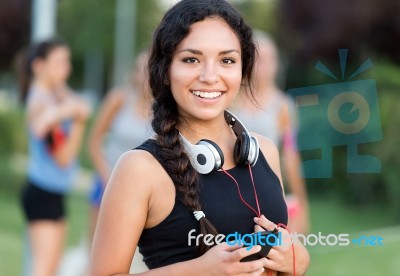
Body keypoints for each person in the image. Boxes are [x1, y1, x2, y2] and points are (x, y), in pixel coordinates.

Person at [89, 1, 310, 275]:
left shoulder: (263, 150)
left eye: (227, 60)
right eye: (191, 59)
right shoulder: (138, 168)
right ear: (165, 69)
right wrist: (200, 270)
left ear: (243, 70)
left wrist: (298, 260)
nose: (210, 76)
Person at [18, 38, 90, 276]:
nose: (66, 69)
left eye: (67, 62)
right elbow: (64, 158)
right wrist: (78, 122)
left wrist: (72, 107)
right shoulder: (41, 103)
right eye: (59, 62)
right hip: (43, 193)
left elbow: (78, 104)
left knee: (50, 269)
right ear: (39, 66)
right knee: (43, 270)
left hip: (52, 192)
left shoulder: (52, 96)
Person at [230, 32, 310, 234]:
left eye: (269, 59)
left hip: (267, 191)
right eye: (258, 58)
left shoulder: (282, 105)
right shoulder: (229, 99)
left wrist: (302, 206)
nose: (263, 66)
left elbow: (291, 155)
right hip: (231, 187)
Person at [87, 51, 152, 247]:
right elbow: (94, 140)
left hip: (140, 188)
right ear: (134, 73)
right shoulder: (119, 99)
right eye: (141, 69)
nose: (145, 75)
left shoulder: (163, 108)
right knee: (95, 245)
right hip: (107, 179)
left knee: (126, 247)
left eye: (150, 69)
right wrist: (105, 176)